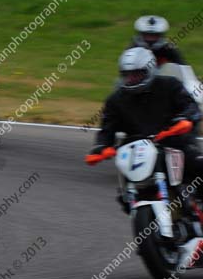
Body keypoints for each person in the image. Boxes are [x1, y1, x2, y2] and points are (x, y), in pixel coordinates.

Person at [86, 48, 203, 181]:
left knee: (198, 165)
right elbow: (107, 128)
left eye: (136, 75)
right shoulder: (115, 100)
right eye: (127, 75)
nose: (131, 79)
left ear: (150, 70)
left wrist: (185, 119)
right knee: (126, 191)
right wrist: (101, 147)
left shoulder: (170, 85)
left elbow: (191, 106)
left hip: (175, 143)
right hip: (138, 152)